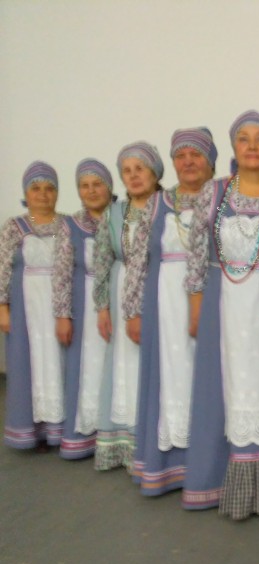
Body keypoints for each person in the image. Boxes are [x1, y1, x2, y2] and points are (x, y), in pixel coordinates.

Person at [182, 110, 259, 520]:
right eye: (243, 139)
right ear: (233, 147)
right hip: (225, 306)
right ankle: (222, 482)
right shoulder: (212, 193)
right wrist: (196, 308)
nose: (252, 146)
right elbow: (197, 255)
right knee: (225, 389)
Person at [128, 128, 217, 495]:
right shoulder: (156, 204)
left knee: (211, 376)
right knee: (172, 376)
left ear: (210, 160)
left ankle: (211, 461)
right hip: (165, 302)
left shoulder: (223, 196)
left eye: (196, 155)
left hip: (214, 297)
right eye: (181, 155)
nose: (188, 162)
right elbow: (137, 261)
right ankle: (172, 463)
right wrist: (133, 310)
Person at [93, 141, 163, 470]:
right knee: (125, 362)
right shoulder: (114, 214)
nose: (133, 176)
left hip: (160, 288)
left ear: (155, 173)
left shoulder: (167, 207)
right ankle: (126, 439)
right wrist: (102, 307)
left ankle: (155, 439)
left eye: (140, 169)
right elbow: (102, 262)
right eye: (126, 171)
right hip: (121, 291)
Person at [1, 162, 65, 451]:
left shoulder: (68, 225)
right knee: (28, 365)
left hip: (60, 306)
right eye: (36, 188)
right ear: (26, 193)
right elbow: (2, 268)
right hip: (26, 307)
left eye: (49, 188)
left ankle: (59, 428)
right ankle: (32, 429)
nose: (43, 194)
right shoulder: (14, 227)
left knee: (60, 363)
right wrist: (3, 308)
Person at [52, 159, 114, 459]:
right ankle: (88, 432)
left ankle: (117, 431)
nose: (91, 191)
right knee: (90, 366)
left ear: (109, 186)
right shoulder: (70, 225)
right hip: (85, 306)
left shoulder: (123, 217)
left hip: (120, 300)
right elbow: (61, 273)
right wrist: (62, 315)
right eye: (84, 186)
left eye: (97, 184)